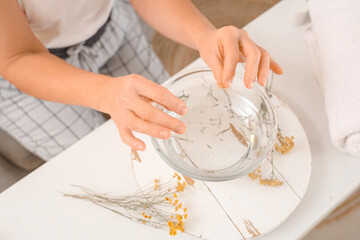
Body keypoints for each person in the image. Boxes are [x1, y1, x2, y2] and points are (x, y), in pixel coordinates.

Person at [0, 0, 283, 161]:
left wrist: (204, 35)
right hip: (25, 67)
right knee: (104, 163)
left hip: (109, 26)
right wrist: (105, 93)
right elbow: (16, 57)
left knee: (170, 130)